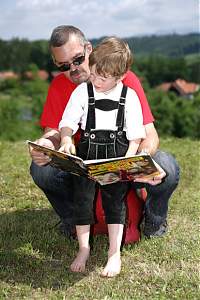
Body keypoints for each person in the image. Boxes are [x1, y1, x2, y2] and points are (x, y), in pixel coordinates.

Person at [29, 25, 179, 241]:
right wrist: (45, 145)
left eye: (78, 59)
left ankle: (153, 220)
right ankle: (71, 220)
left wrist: (139, 160)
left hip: (123, 160)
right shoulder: (59, 86)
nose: (72, 69)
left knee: (168, 168)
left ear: (89, 49)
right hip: (81, 167)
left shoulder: (124, 79)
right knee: (40, 170)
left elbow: (149, 133)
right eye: (63, 65)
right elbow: (53, 132)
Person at [58, 36, 146, 276]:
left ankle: (113, 253)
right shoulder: (81, 92)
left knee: (114, 203)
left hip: (116, 159)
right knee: (82, 200)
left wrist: (126, 161)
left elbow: (136, 135)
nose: (95, 80)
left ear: (120, 77)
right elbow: (67, 122)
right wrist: (66, 138)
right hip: (87, 159)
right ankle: (84, 248)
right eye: (93, 73)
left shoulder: (130, 97)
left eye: (102, 78)